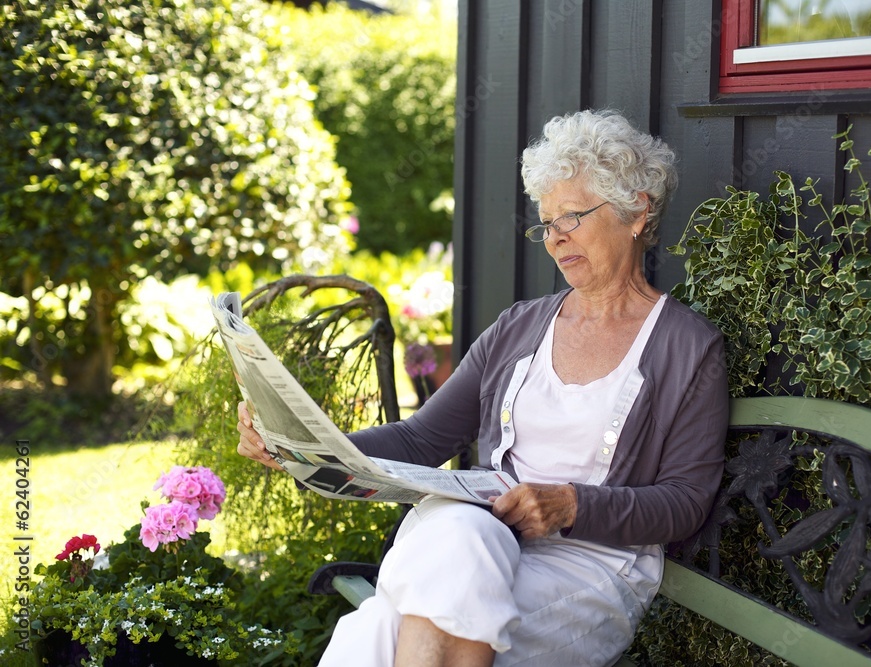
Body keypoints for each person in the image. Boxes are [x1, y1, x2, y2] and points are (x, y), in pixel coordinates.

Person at [237, 109, 729, 667]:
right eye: (545, 223)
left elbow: (685, 502)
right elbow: (423, 439)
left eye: (571, 217)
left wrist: (571, 504)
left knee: (377, 630)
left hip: (591, 565)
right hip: (482, 537)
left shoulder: (688, 347)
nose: (554, 239)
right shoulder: (519, 327)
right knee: (460, 535)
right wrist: (303, 447)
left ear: (636, 210)